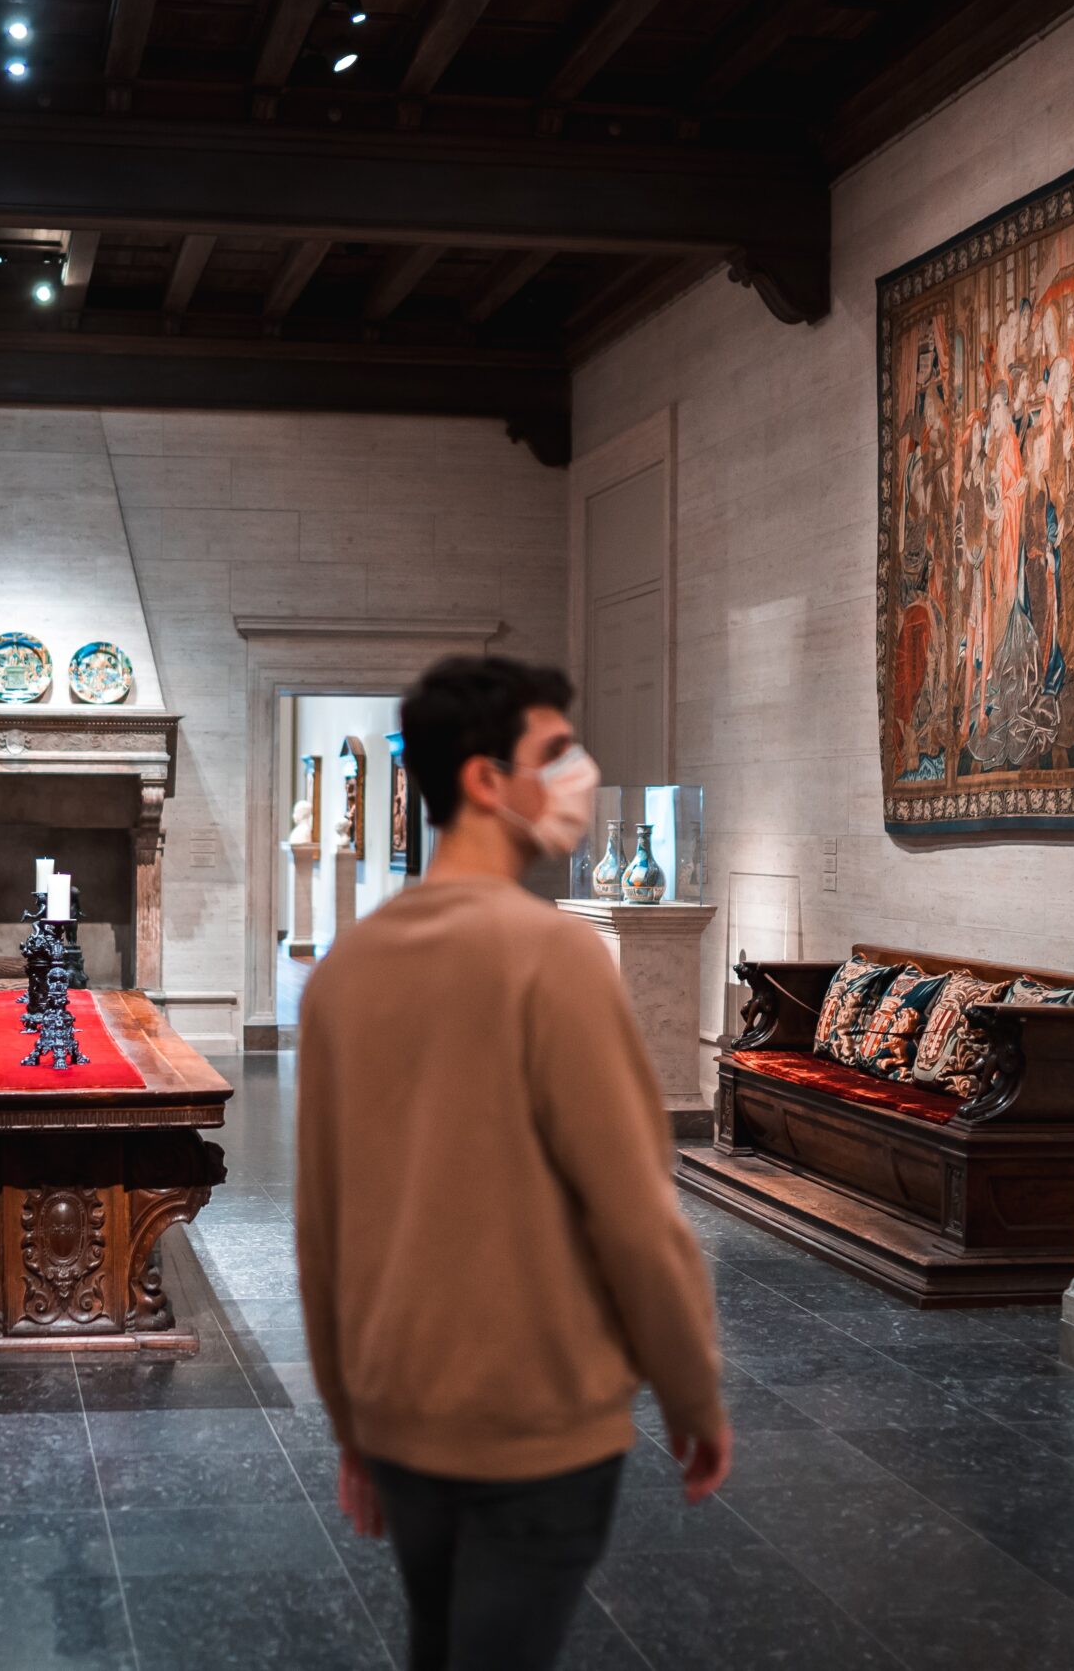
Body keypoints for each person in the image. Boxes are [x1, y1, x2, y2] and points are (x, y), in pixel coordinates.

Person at [295, 655, 731, 1671]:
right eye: (557, 751)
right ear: (487, 780)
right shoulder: (553, 957)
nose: (580, 771)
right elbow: (635, 1217)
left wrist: (350, 1420)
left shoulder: (345, 972)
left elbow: (322, 1231)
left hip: (399, 1406)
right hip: (538, 1419)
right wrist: (693, 1396)